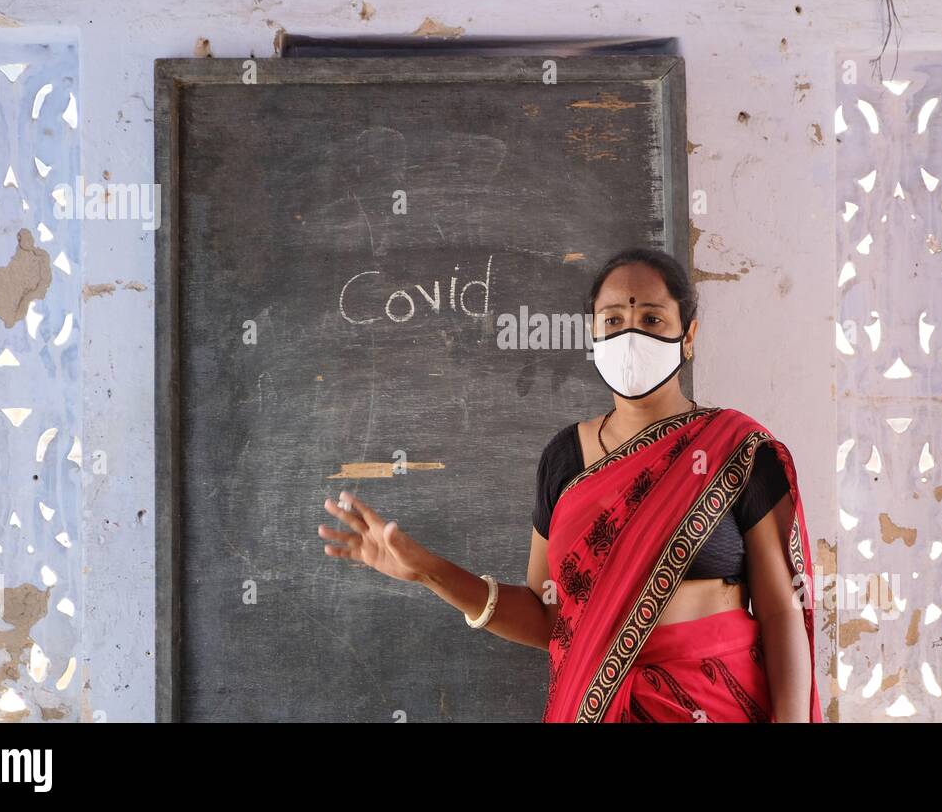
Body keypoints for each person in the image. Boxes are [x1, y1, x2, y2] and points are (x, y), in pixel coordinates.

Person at [318, 247, 822, 723]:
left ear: (688, 336)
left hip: (718, 703)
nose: (631, 334)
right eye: (613, 321)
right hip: (594, 703)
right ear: (593, 334)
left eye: (651, 319)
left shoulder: (737, 449)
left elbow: (781, 613)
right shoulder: (565, 459)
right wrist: (428, 570)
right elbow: (546, 616)